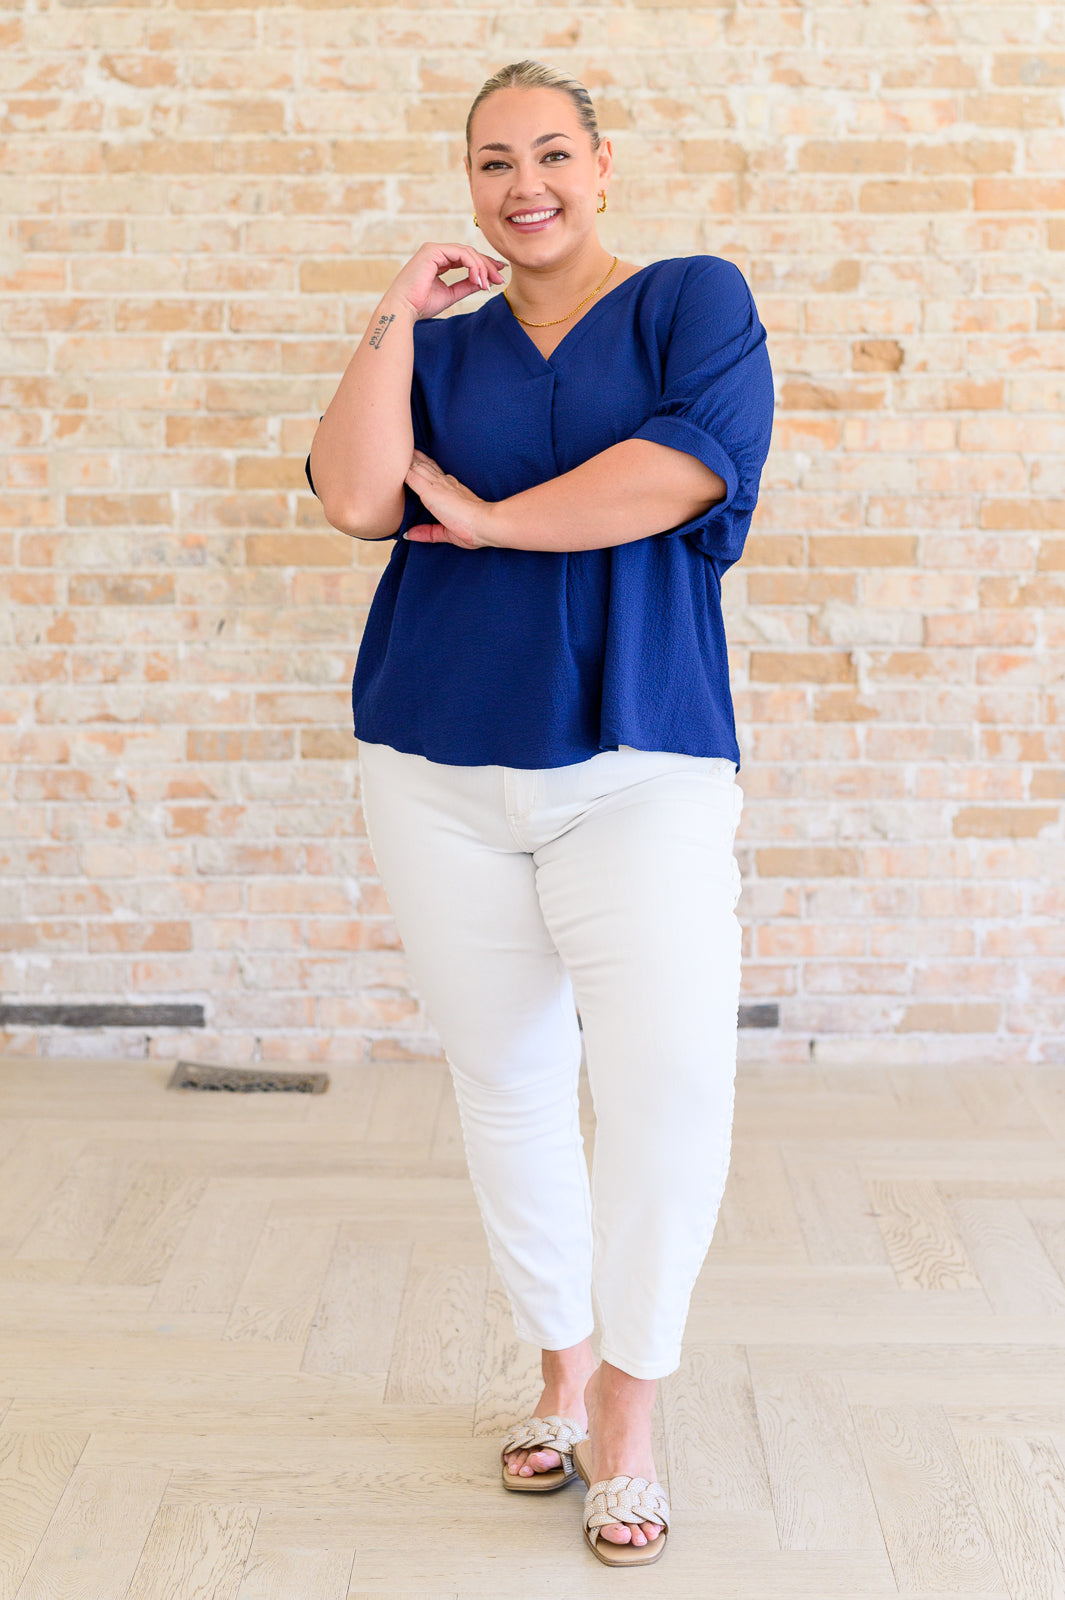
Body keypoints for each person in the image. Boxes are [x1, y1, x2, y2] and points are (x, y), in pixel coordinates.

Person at [305, 59, 774, 1568]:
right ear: (468, 183)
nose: (526, 186)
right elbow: (355, 496)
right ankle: (559, 1372)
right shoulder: (439, 343)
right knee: (506, 1079)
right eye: (494, 162)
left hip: (641, 762)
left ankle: (632, 1407)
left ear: (603, 164)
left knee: (668, 1089)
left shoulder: (692, 301)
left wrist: (495, 520)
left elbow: (676, 474)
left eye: (553, 154)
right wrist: (393, 308)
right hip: (433, 759)